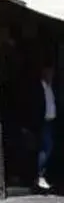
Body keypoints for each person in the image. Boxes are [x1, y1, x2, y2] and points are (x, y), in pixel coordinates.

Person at [38, 60, 56, 192]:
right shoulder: (40, 87)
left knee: (48, 148)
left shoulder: (51, 87)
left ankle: (44, 175)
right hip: (43, 122)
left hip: (51, 122)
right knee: (45, 149)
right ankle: (40, 175)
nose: (51, 75)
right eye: (48, 73)